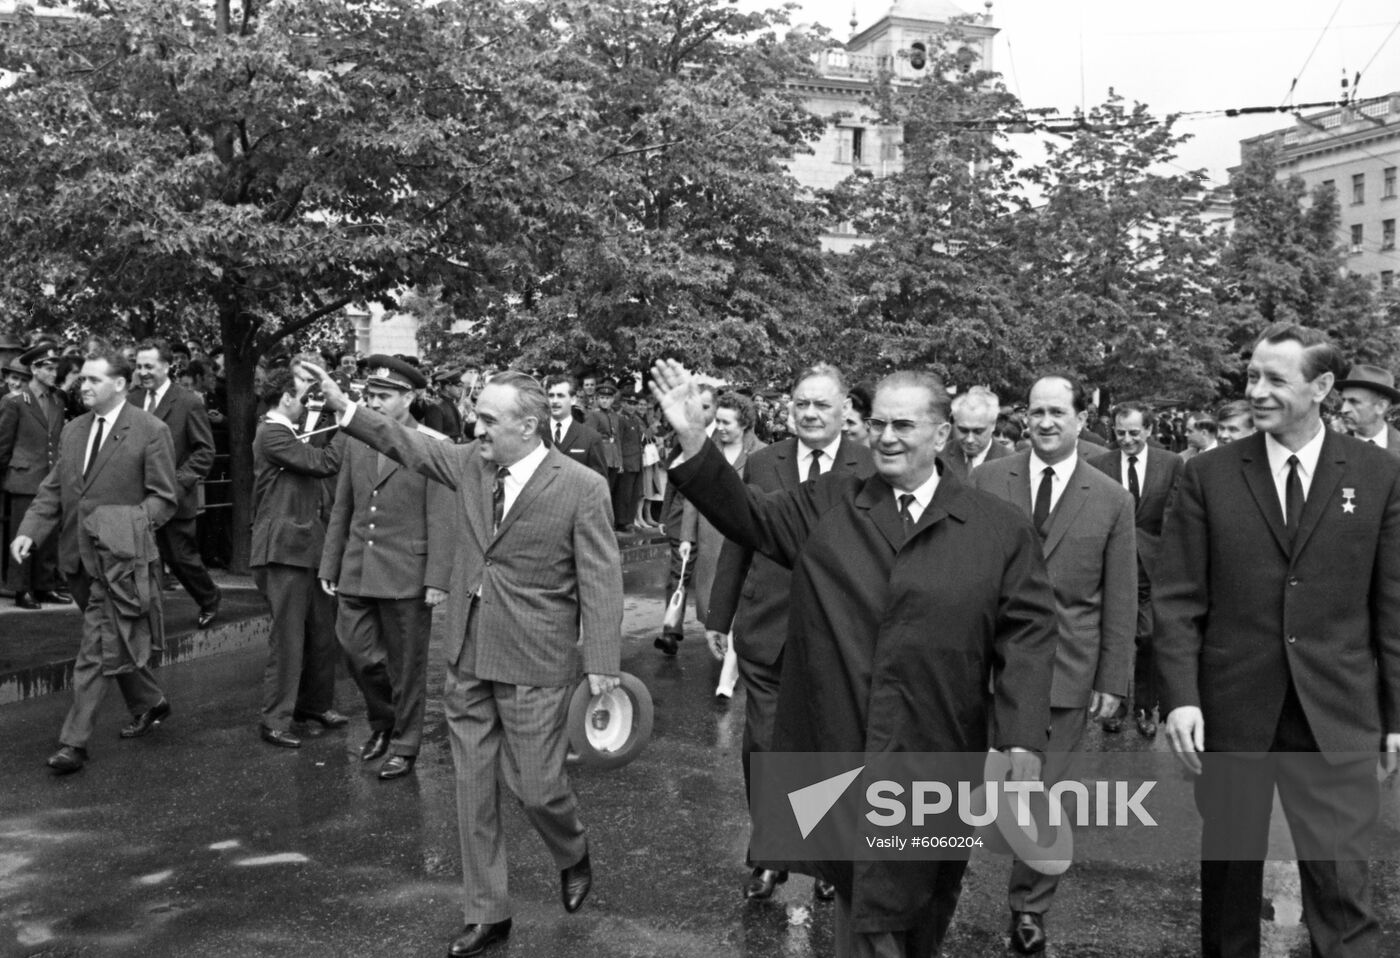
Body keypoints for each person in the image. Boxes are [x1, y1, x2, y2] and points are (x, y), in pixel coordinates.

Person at [652, 359, 1058, 958]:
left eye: (903, 425)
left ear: (941, 434)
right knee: (865, 908)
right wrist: (693, 439)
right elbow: (749, 516)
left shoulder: (998, 527)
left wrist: (1021, 735)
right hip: (846, 746)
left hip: (939, 750)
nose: (886, 437)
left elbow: (1026, 630)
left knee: (927, 904)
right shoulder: (830, 504)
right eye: (877, 423)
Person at [301, 361, 621, 958]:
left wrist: (602, 657)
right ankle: (487, 913)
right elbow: (406, 442)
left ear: (529, 427)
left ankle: (571, 849)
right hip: (468, 651)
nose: (476, 427)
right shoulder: (470, 463)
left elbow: (600, 578)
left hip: (535, 659)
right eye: (475, 415)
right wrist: (346, 408)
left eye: (488, 420)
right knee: (472, 790)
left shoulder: (581, 486)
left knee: (536, 787)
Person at [1157, 324, 1400, 958]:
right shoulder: (1206, 476)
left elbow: (1393, 606)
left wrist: (1396, 715)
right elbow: (1179, 599)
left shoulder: (1379, 476)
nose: (1256, 391)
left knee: (1345, 895)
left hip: (1337, 712)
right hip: (1233, 710)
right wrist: (1181, 697)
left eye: (1274, 380)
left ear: (1322, 387)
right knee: (1231, 887)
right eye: (1252, 377)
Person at [969, 374, 1136, 955]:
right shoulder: (988, 479)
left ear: (1080, 418)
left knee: (1048, 796)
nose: (1045, 423)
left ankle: (1029, 908)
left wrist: (1114, 679)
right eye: (1036, 412)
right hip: (987, 666)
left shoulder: (1112, 498)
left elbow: (1120, 595)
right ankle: (934, 887)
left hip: (1067, 672)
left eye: (1057, 413)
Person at [704, 364, 873, 903]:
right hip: (768, 627)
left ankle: (828, 856)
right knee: (764, 747)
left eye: (822, 404)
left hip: (838, 633)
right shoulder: (762, 462)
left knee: (833, 749)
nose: (811, 413)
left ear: (846, 408)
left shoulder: (870, 466)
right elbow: (739, 536)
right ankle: (773, 853)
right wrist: (719, 615)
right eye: (802, 403)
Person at [10, 348, 179, 775]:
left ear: (119, 385)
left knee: (93, 651)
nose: (81, 386)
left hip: (119, 563)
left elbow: (164, 497)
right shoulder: (73, 431)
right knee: (111, 642)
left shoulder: (150, 430)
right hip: (76, 560)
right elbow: (54, 489)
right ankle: (150, 701)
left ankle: (74, 743)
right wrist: (29, 530)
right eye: (81, 379)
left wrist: (129, 528)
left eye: (92, 380)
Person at [319, 355, 455, 782]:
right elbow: (344, 505)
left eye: (383, 396)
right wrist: (332, 561)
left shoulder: (434, 445)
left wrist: (437, 578)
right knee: (355, 651)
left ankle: (404, 744)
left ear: (409, 398)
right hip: (359, 566)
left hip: (406, 571)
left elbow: (442, 517)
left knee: (406, 664)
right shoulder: (357, 439)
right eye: (369, 395)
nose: (373, 403)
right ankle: (384, 721)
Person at [250, 367, 348, 749]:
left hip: (306, 546)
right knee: (288, 639)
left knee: (322, 632)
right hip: (283, 551)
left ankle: (314, 705)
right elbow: (325, 463)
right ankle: (274, 719)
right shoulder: (271, 432)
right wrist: (347, 421)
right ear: (286, 398)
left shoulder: (286, 433)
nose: (307, 404)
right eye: (303, 397)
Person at [1089, 401, 1182, 739]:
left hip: (1152, 565)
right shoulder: (1099, 463)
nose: (1126, 439)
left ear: (1149, 430)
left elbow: (1174, 513)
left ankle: (1146, 705)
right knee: (1116, 636)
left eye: (1133, 433)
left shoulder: (1170, 464)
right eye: (1120, 432)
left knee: (1149, 637)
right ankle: (1117, 705)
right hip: (1111, 563)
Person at [129, 339, 221, 629]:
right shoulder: (131, 400)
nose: (143, 372)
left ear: (167, 366)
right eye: (139, 366)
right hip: (137, 496)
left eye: (149, 366)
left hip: (174, 497)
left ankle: (209, 597)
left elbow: (205, 451)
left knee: (180, 557)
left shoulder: (188, 401)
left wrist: (178, 483)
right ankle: (145, 617)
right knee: (139, 559)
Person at [687, 391, 765, 700]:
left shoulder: (762, 454)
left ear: (745, 424)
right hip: (710, 539)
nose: (719, 427)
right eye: (717, 420)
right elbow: (695, 496)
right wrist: (685, 537)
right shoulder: (708, 451)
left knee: (740, 606)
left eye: (726, 422)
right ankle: (728, 658)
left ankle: (727, 677)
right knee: (714, 606)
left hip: (742, 541)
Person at [0, 343, 70, 609]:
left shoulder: (57, 399)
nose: (54, 373)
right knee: (22, 535)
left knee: (48, 536)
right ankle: (21, 589)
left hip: (50, 476)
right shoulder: (15, 401)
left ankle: (44, 585)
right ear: (34, 369)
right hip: (23, 478)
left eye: (55, 368)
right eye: (49, 368)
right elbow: (3, 445)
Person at [655, 382, 716, 655]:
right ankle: (670, 630)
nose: (700, 413)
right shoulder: (682, 439)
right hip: (682, 518)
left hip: (715, 521)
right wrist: (665, 515)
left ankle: (720, 630)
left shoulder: (726, 437)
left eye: (706, 407)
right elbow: (672, 480)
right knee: (678, 574)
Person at [943, 386, 1011, 479]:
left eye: (978, 431)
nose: (970, 439)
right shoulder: (938, 457)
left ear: (993, 425)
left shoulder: (1012, 463)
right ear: (953, 423)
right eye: (963, 430)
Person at [543, 376, 607, 478]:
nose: (554, 401)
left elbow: (599, 482)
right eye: (551, 396)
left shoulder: (591, 437)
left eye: (560, 396)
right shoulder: (536, 434)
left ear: (573, 399)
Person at [1336, 364, 1400, 454]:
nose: (1344, 410)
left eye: (1354, 402)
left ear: (1381, 406)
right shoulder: (1333, 449)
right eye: (1344, 401)